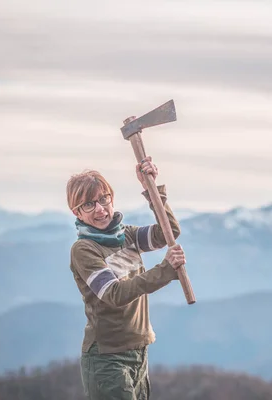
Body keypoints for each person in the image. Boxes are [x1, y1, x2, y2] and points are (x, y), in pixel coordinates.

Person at [66, 156, 186, 400]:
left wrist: (152, 190)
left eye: (103, 198)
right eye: (89, 205)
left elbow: (168, 232)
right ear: (76, 212)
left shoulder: (126, 236)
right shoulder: (84, 250)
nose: (100, 208)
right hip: (107, 359)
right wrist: (165, 270)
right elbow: (114, 294)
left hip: (139, 352)